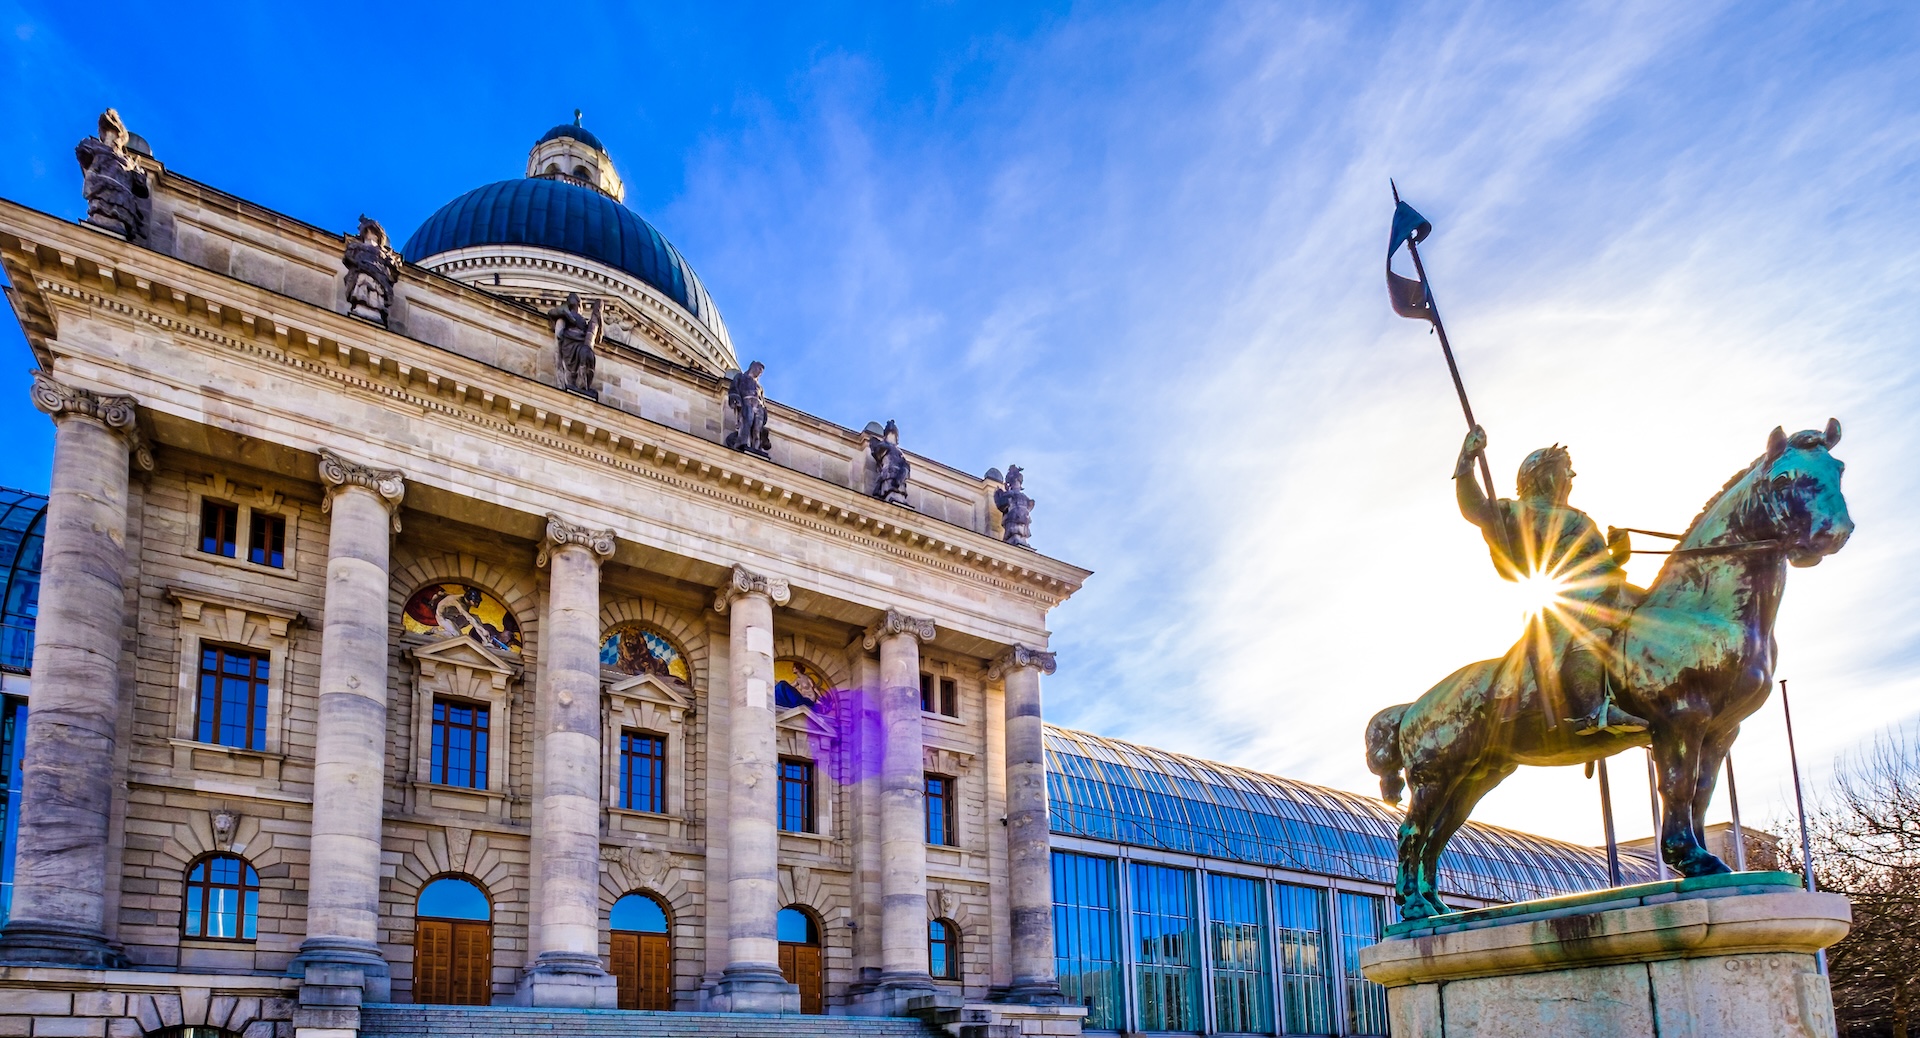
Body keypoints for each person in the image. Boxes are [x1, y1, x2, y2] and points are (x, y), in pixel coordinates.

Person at [1455, 424, 1648, 736]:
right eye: (1564, 469)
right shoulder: (1519, 510)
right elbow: (1475, 508)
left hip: (1604, 592)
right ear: (1541, 476)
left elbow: (1597, 568)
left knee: (1651, 609)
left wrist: (1619, 554)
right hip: (1566, 602)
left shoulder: (1582, 518)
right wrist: (1466, 462)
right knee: (1594, 620)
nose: (1571, 477)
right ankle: (1591, 710)